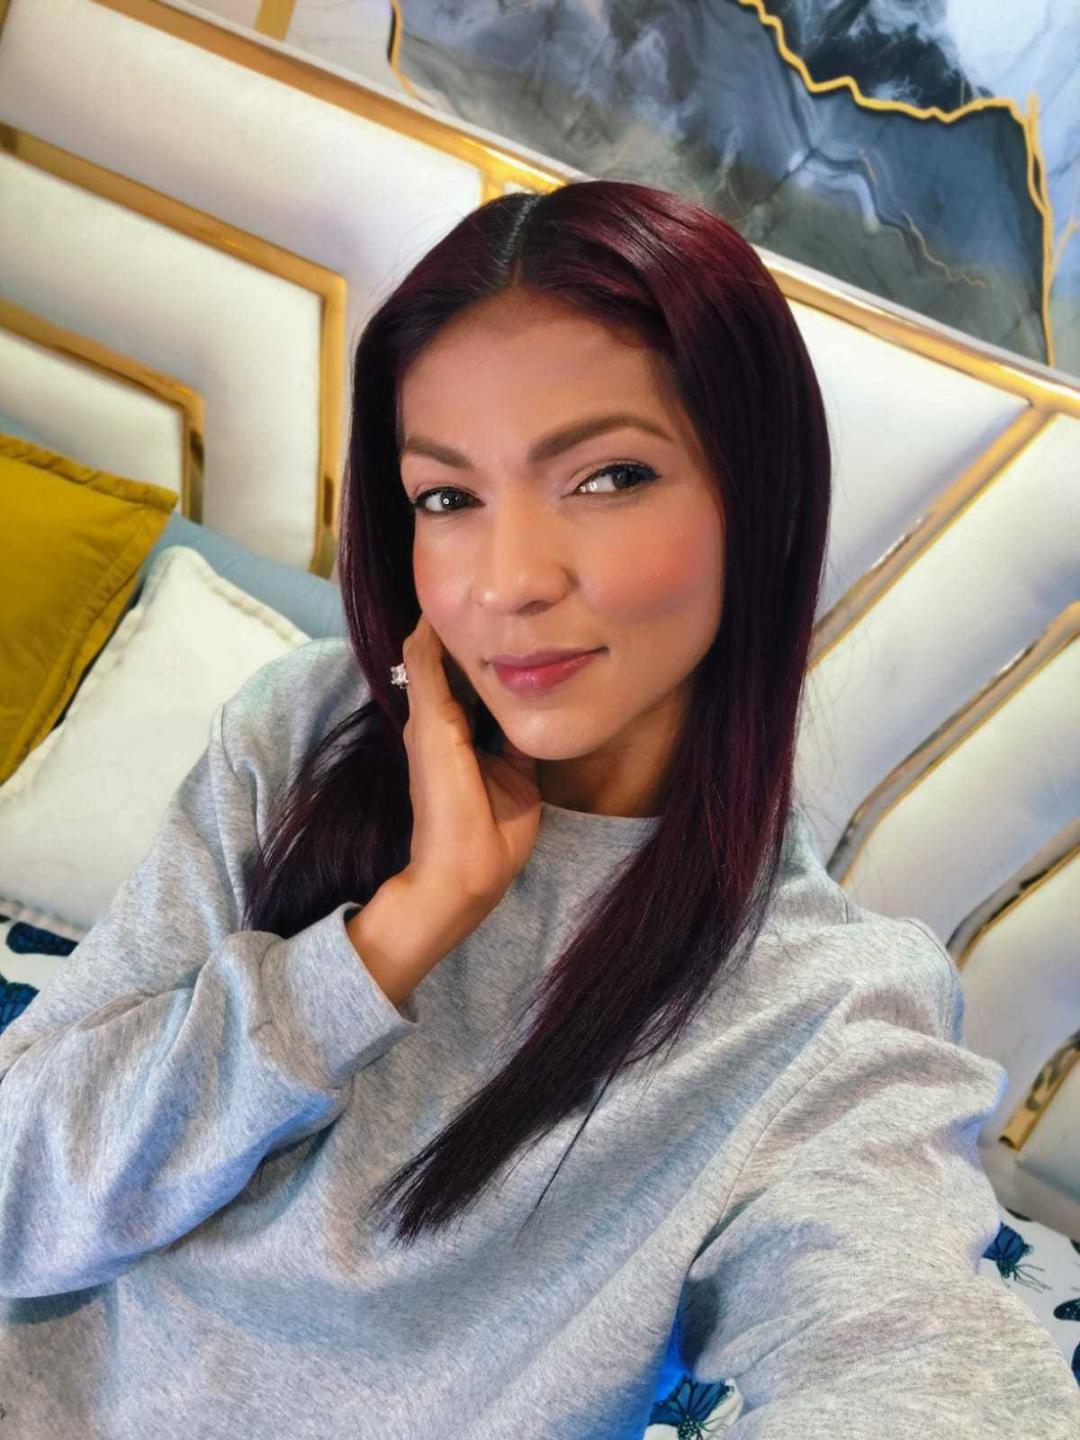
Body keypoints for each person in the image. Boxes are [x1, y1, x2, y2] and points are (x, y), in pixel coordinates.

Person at [0, 180, 1076, 1439]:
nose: (508, 582)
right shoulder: (300, 733)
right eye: (447, 498)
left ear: (761, 500)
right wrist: (387, 940)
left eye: (608, 477)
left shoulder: (823, 1012)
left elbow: (911, 1358)